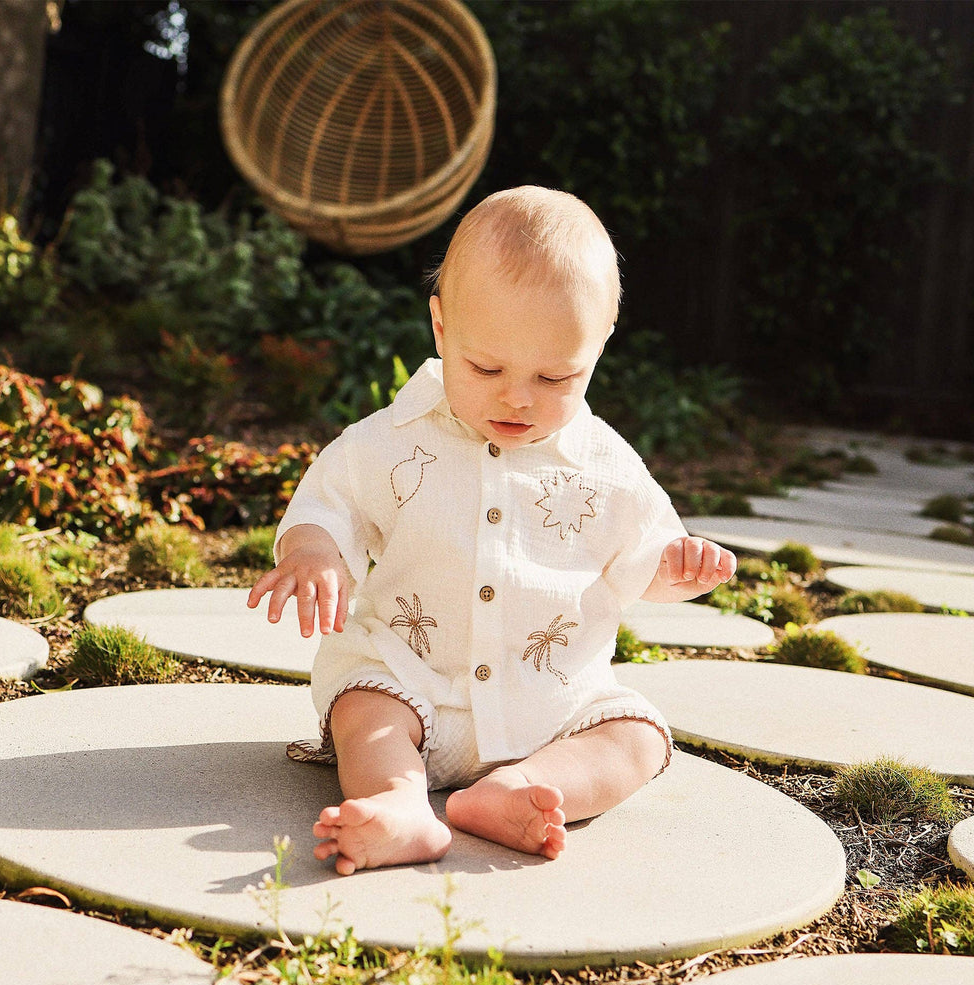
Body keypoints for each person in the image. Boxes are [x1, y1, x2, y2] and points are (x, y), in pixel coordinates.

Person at [248, 186, 736, 876]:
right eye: (486, 368)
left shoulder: (607, 466)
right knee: (362, 705)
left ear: (599, 348)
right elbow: (331, 503)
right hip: (411, 684)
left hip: (551, 708)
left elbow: (644, 560)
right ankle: (396, 803)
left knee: (638, 738)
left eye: (555, 376)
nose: (517, 396)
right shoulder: (393, 440)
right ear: (441, 329)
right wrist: (313, 551)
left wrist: (677, 567)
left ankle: (518, 790)